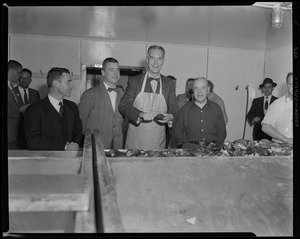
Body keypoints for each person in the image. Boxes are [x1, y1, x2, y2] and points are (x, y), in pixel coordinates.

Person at [119, 45, 178, 149]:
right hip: (135, 139)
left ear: (163, 61)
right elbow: (124, 105)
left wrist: (170, 116)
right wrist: (140, 114)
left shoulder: (169, 84)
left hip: (158, 140)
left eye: (159, 59)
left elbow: (174, 107)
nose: (156, 63)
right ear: (147, 59)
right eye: (152, 58)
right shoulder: (135, 81)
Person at [24, 67, 83, 150]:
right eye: (69, 81)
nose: (72, 85)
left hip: (70, 160)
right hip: (46, 160)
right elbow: (33, 141)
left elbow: (78, 131)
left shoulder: (72, 106)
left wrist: (75, 144)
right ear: (56, 83)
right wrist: (64, 146)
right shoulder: (34, 110)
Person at [78, 57, 124, 149]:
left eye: (117, 70)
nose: (116, 74)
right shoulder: (90, 94)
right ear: (103, 72)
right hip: (96, 146)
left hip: (117, 146)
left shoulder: (123, 95)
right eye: (111, 70)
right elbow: (81, 124)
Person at [170, 77, 226, 149]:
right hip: (189, 152)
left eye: (203, 88)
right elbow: (177, 135)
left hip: (211, 151)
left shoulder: (216, 108)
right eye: (196, 88)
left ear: (208, 90)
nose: (200, 92)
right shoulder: (184, 109)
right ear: (193, 90)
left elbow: (222, 133)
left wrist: (215, 149)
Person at [262, 73, 293, 145]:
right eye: (291, 84)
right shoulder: (277, 104)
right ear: (287, 85)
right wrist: (286, 139)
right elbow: (265, 126)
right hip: (281, 147)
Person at [13, 68, 41, 149]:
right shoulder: (12, 91)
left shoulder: (35, 93)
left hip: (31, 128)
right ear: (19, 78)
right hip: (16, 128)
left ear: (30, 80)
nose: (24, 80)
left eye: (27, 78)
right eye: (22, 78)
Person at [7, 60, 23, 149]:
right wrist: (20, 109)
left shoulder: (12, 88)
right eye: (19, 73)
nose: (20, 76)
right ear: (12, 70)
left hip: (13, 134)